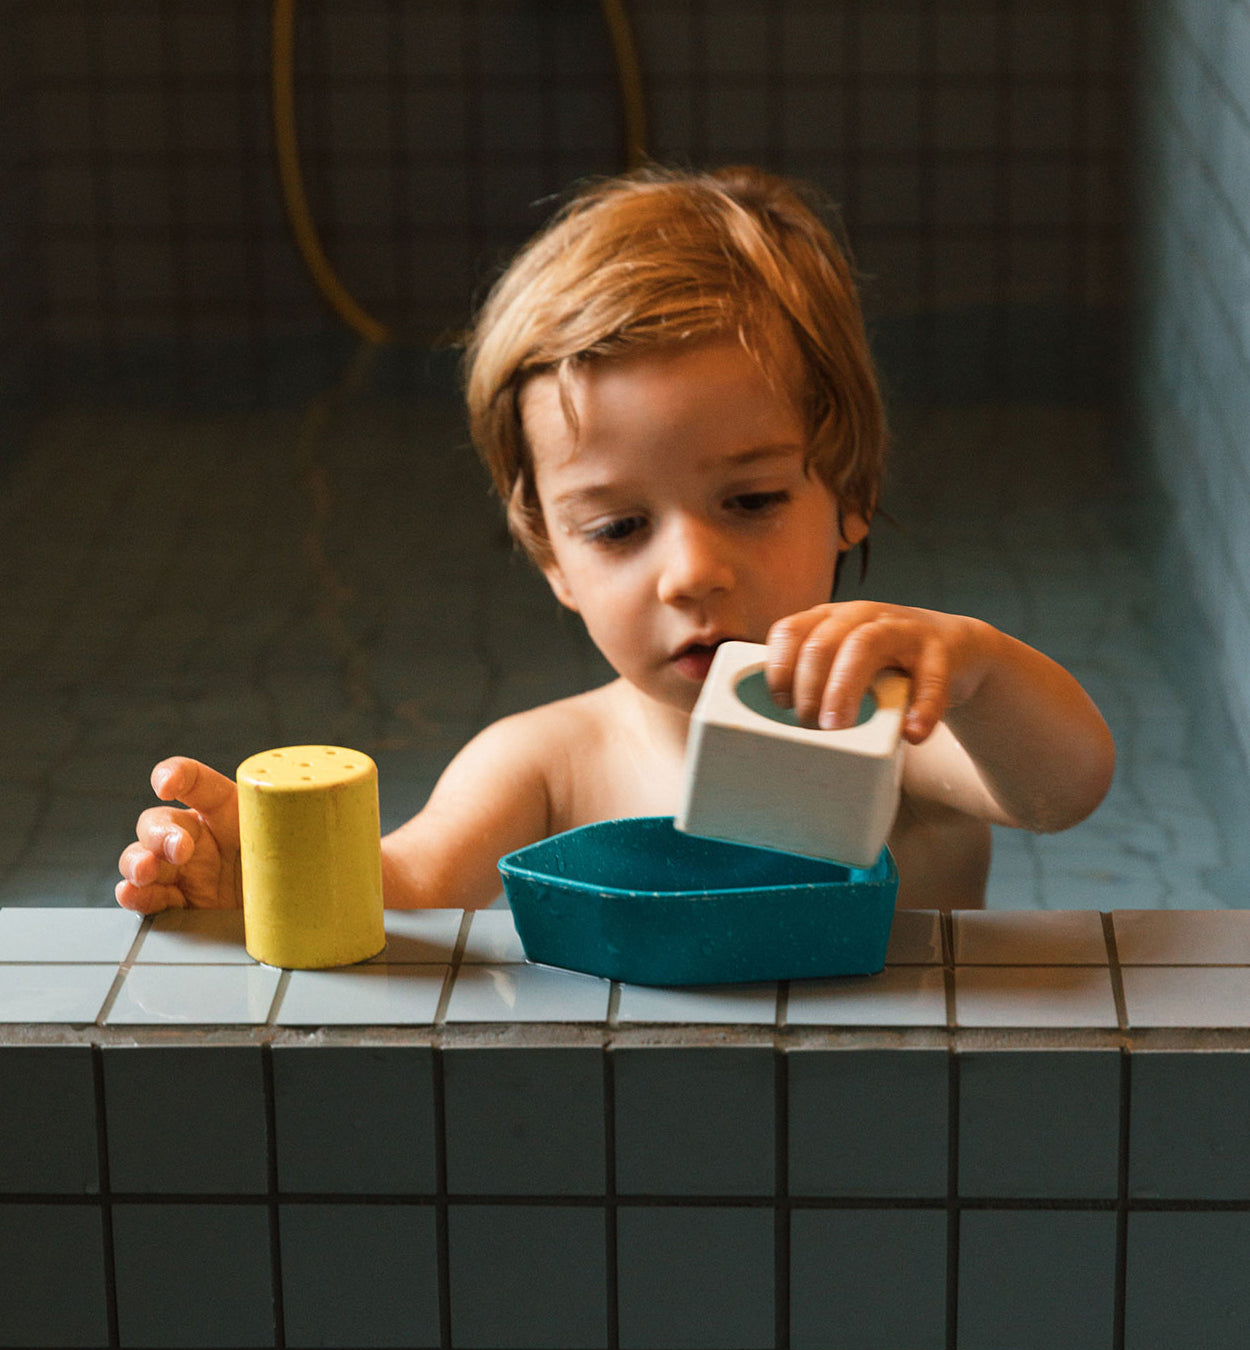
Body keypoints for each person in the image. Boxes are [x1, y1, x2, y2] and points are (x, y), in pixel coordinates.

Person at [116, 165, 1114, 915]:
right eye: (618, 527)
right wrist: (257, 874)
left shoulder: (884, 726)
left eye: (751, 499)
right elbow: (402, 893)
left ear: (847, 490)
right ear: (552, 553)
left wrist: (972, 665)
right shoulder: (544, 765)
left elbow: (1058, 789)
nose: (689, 572)